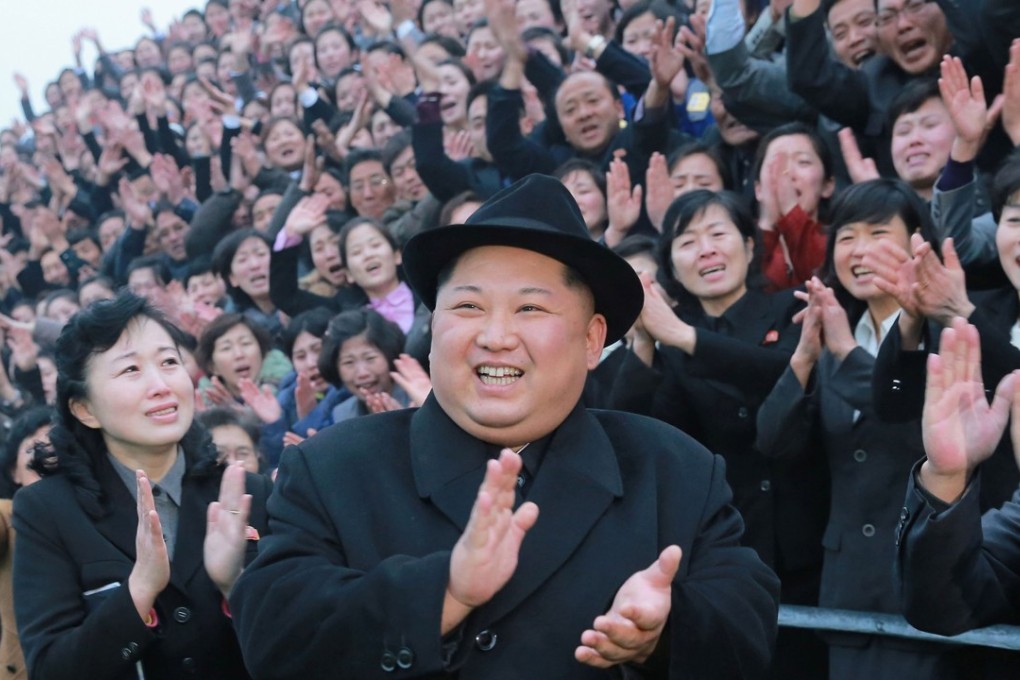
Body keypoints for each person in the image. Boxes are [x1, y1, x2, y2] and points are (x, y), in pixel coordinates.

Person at [229, 174, 779, 677]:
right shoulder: (332, 467)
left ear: (592, 340)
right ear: (433, 323)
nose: (495, 336)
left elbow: (748, 631)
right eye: (468, 307)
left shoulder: (674, 468)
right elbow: (275, 637)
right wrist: (440, 594)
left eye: (530, 310)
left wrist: (662, 633)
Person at [12, 293, 271, 680]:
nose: (161, 385)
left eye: (169, 362)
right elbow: (51, 668)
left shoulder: (248, 493)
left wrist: (235, 585)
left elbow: (303, 646)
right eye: (131, 370)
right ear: (85, 408)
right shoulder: (46, 511)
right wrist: (138, 592)